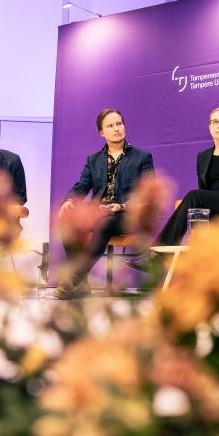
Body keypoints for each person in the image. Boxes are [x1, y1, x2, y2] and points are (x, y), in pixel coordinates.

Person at [57, 109, 155, 298]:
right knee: (68, 221)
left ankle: (74, 278)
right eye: (110, 126)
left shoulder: (142, 157)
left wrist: (122, 206)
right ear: (101, 132)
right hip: (99, 211)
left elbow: (147, 194)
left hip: (126, 215)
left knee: (105, 223)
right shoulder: (93, 160)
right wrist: (69, 201)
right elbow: (81, 186)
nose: (116, 129)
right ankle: (82, 282)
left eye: (119, 123)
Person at [145, 106, 219, 250]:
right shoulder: (203, 156)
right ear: (209, 127)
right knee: (196, 201)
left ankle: (158, 251)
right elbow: (204, 189)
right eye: (215, 122)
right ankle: (173, 253)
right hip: (213, 205)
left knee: (195, 195)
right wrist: (211, 198)